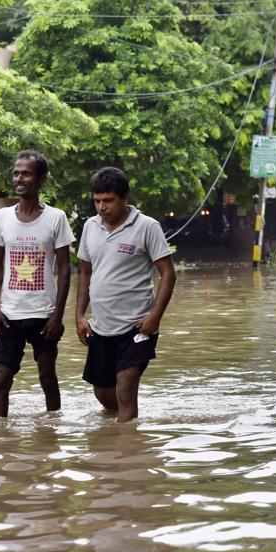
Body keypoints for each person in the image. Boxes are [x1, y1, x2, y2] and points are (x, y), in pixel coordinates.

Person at [75, 167, 176, 422]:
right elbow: (85, 273)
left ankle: (127, 454)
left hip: (136, 326)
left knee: (126, 389)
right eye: (97, 200)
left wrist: (155, 317)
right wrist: (78, 316)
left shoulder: (147, 227)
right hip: (101, 327)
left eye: (108, 200)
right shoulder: (90, 226)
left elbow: (168, 274)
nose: (101, 207)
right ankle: (118, 427)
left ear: (124, 198)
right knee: (102, 392)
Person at [0, 151, 75, 417]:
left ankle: (53, 434)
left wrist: (58, 316)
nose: (19, 178)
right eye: (16, 173)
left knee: (47, 376)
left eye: (26, 173)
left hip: (43, 314)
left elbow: (64, 269)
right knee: (1, 378)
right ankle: (0, 440)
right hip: (9, 314)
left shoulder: (56, 218)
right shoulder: (2, 217)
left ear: (41, 180)